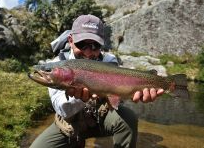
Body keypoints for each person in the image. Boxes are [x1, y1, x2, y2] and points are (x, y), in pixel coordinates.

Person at [30, 14, 164, 148]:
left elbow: (117, 98)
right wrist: (80, 98)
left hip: (100, 117)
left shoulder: (109, 61)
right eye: (82, 44)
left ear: (101, 44)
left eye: (95, 45)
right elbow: (62, 110)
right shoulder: (57, 63)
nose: (88, 53)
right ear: (70, 40)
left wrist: (133, 94)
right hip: (68, 124)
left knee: (128, 118)